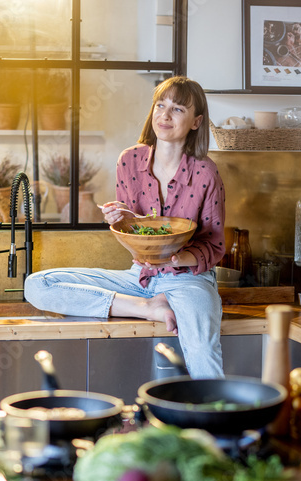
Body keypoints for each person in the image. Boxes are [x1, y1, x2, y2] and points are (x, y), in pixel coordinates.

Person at [24, 76, 226, 378]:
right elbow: (133, 233)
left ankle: (215, 422)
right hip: (139, 280)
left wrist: (177, 258)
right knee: (37, 285)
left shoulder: (206, 172)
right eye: (161, 105)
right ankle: (147, 308)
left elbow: (215, 244)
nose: (165, 115)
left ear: (196, 122)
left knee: (201, 350)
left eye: (178, 109)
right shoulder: (129, 161)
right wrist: (121, 220)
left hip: (189, 279)